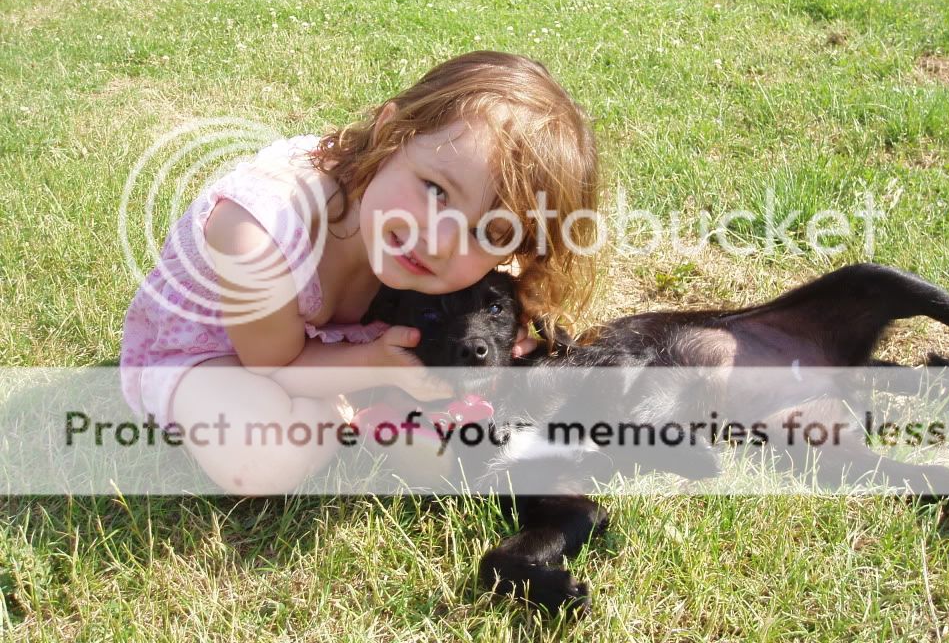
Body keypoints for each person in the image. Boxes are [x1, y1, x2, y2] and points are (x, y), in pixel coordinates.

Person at [120, 51, 600, 493]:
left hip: (322, 346)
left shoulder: (400, 221)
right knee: (263, 458)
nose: (439, 240)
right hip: (214, 356)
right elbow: (271, 365)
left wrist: (508, 320)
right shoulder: (257, 235)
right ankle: (352, 406)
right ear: (390, 136)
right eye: (435, 191)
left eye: (487, 234)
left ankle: (366, 398)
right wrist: (374, 364)